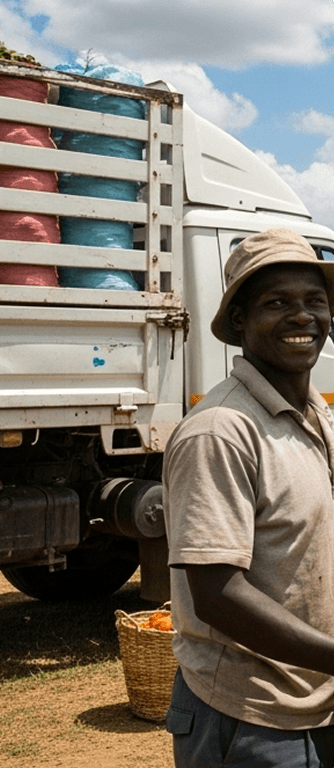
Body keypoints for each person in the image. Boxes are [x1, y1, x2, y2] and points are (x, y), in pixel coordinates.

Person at [162, 228, 334, 767]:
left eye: (315, 302)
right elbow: (217, 594)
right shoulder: (220, 431)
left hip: (317, 698)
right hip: (248, 716)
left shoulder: (317, 416)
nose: (302, 317)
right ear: (239, 321)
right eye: (277, 302)